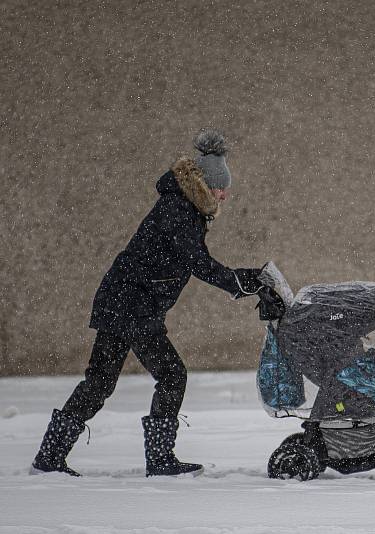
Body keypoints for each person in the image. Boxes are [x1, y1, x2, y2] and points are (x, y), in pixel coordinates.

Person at [31, 128, 283, 477]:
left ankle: (50, 456)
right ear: (204, 186)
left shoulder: (183, 206)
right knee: (171, 375)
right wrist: (245, 282)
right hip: (132, 304)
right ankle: (160, 459)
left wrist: (245, 280)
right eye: (220, 188)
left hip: (122, 301)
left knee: (100, 382)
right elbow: (198, 262)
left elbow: (195, 259)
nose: (225, 196)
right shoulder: (178, 208)